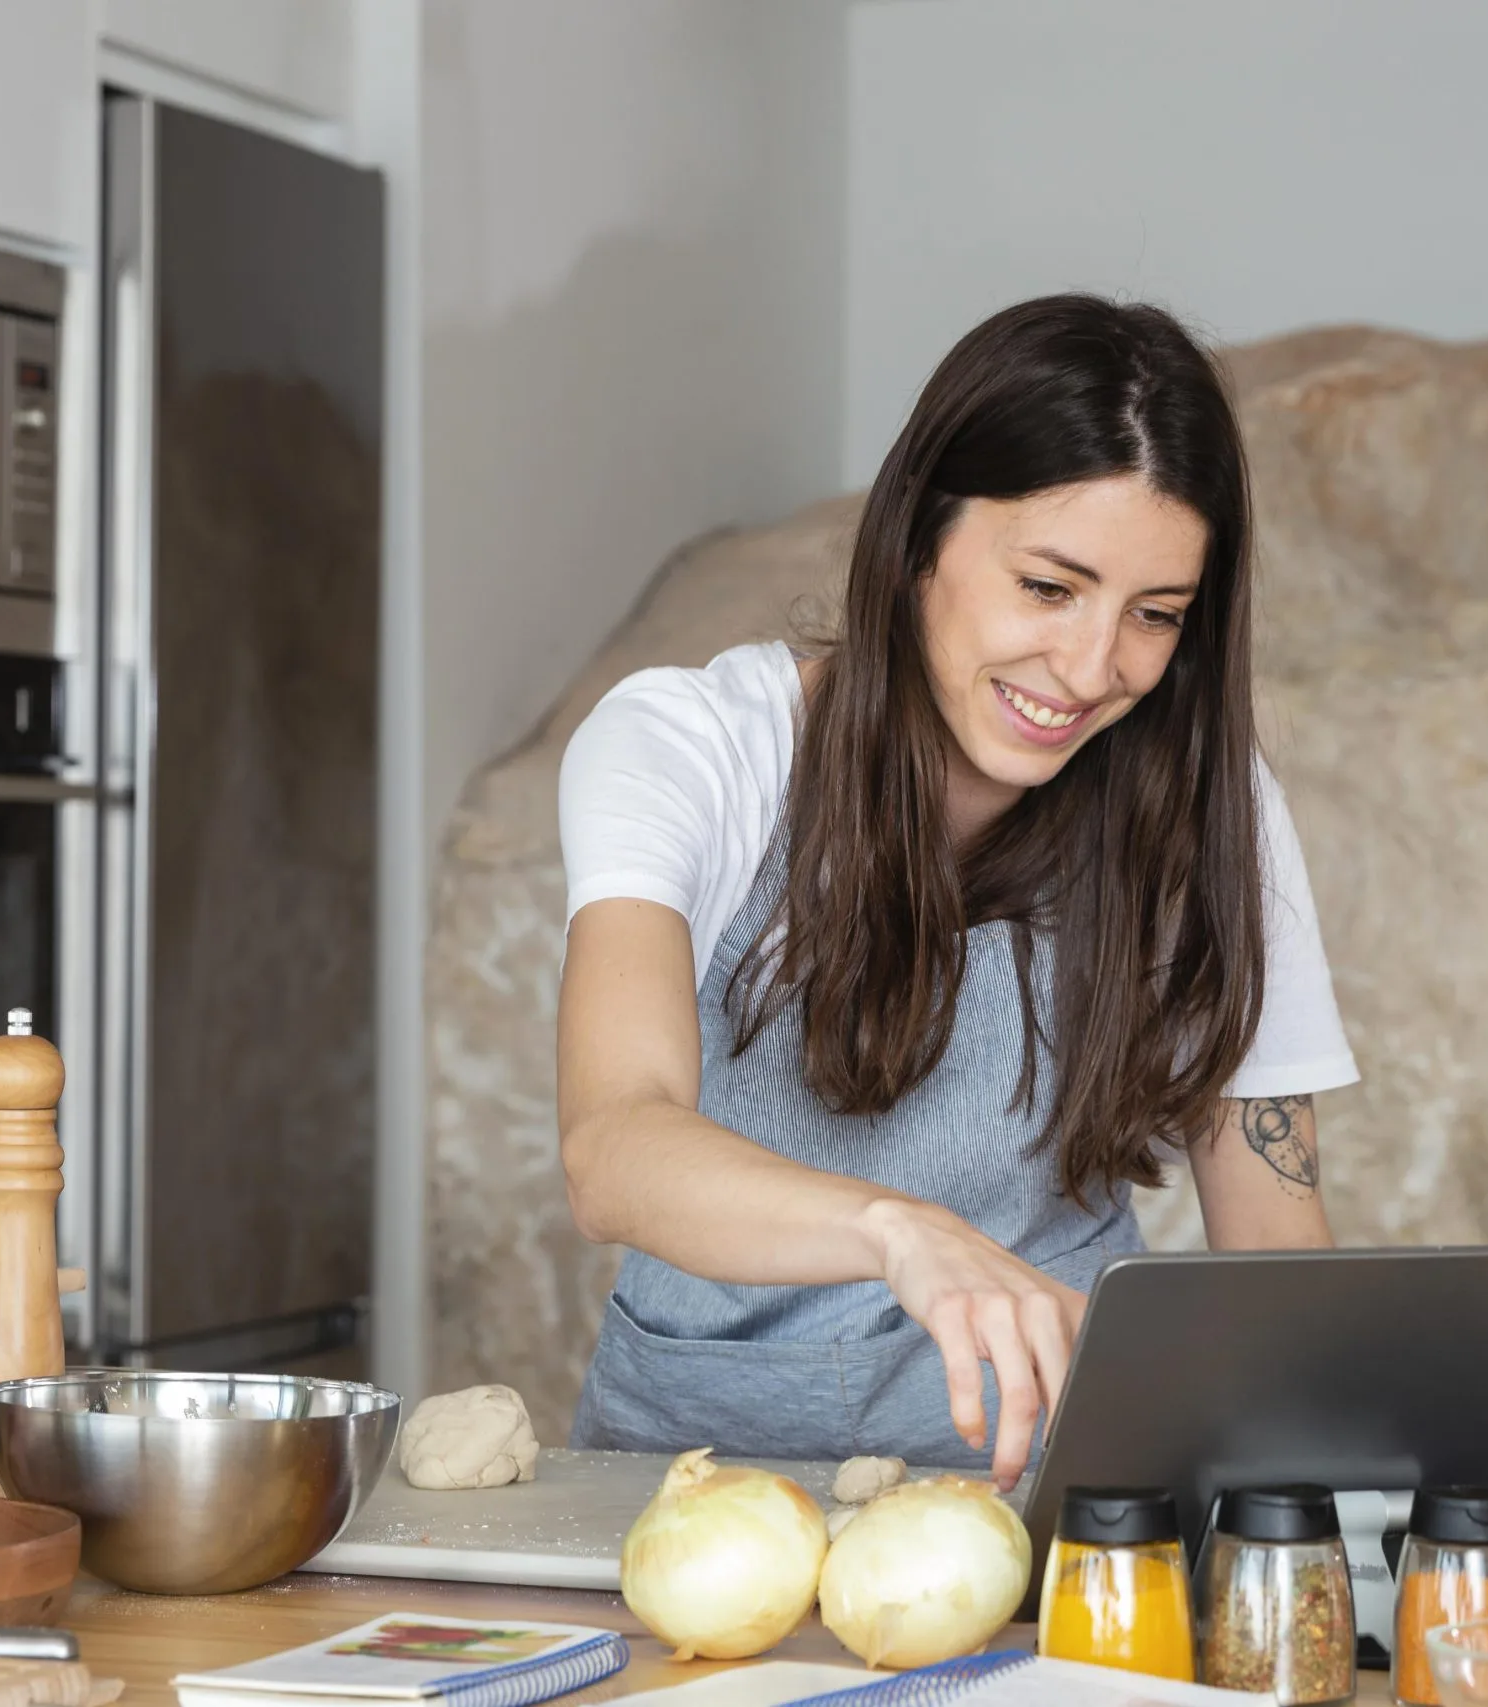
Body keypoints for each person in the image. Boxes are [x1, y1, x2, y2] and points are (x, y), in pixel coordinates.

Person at [554, 295, 1359, 1490]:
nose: (1091, 671)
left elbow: (1273, 1256)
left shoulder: (1211, 811)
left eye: (1154, 618)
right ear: (918, 537)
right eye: (1047, 587)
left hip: (1061, 1501)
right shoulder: (687, 748)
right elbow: (613, 1144)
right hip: (689, 1488)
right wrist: (899, 1236)